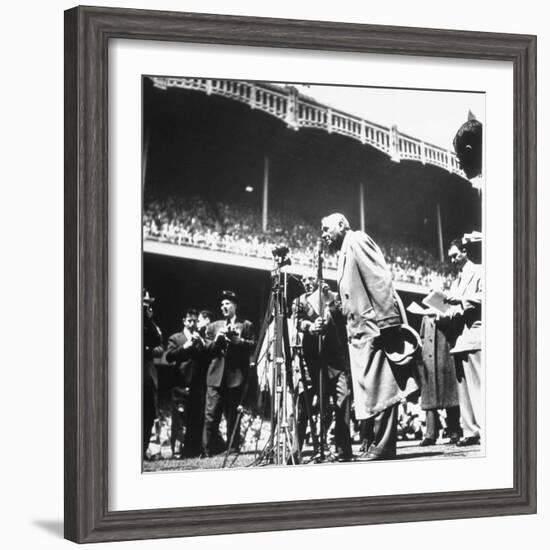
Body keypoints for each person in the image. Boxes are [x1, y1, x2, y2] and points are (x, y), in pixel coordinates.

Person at [321, 213, 418, 461]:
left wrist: (388, 323)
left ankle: (384, 446)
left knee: (383, 387)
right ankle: (373, 443)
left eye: (326, 228)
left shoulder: (356, 240)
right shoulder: (344, 250)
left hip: (374, 328)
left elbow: (379, 278)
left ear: (342, 225)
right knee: (371, 389)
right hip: (359, 332)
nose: (323, 234)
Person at [294, 277, 353, 461]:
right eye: (304, 279)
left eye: (312, 278)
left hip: (336, 360)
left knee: (343, 400)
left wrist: (330, 303)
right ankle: (297, 451)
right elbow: (297, 321)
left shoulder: (334, 297)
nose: (308, 282)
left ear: (320, 279)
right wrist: (310, 327)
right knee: (306, 406)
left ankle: (343, 451)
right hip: (312, 360)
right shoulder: (300, 301)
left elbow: (344, 317)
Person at [202, 291, 255, 457]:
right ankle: (207, 449)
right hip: (216, 376)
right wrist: (218, 338)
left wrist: (240, 342)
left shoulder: (246, 325)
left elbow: (254, 344)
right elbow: (207, 350)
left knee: (233, 415)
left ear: (235, 305)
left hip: (235, 376)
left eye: (227, 304)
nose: (224, 307)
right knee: (211, 415)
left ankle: (233, 448)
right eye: (222, 304)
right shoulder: (213, 326)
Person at [441, 237, 483, 446]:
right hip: (459, 337)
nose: (453, 260)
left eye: (456, 255)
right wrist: (441, 313)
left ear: (465, 251)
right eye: (450, 258)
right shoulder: (456, 280)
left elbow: (487, 296)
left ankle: (484, 429)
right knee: (463, 389)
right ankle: (470, 431)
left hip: (474, 332)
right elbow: (454, 307)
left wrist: (462, 300)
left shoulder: (480, 270)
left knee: (477, 386)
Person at [165, 308, 207, 458]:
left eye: (195, 321)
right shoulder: (175, 338)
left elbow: (205, 358)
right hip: (180, 384)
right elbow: (169, 357)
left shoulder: (200, 338)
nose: (192, 324)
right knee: (180, 420)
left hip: (197, 385)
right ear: (184, 321)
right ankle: (177, 451)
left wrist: (200, 343)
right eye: (189, 320)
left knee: (196, 419)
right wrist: (185, 346)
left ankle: (193, 450)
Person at [415, 311, 461, 445]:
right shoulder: (425, 316)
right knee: (429, 398)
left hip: (445, 358)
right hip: (428, 360)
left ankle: (454, 431)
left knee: (450, 396)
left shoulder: (448, 313)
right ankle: (430, 434)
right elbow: (422, 336)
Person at [142, 289, 164, 460]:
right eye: (144, 302)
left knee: (148, 411)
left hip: (146, 371)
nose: (145, 306)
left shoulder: (150, 322)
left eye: (148, 303)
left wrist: (148, 319)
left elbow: (157, 340)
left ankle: (141, 450)